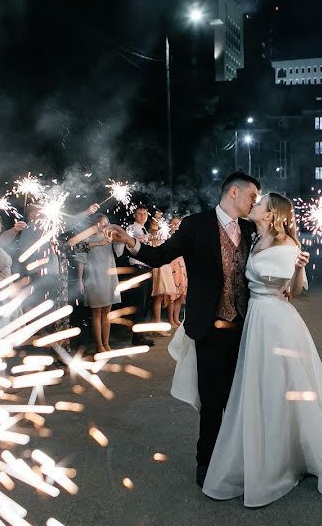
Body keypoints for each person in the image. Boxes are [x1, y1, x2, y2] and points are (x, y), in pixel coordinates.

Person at [173, 192, 322, 506]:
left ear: (271, 214)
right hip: (255, 321)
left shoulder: (288, 246)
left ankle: (286, 457)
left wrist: (301, 268)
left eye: (260, 204)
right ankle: (263, 453)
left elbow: (295, 291)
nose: (254, 205)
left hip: (277, 322)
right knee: (259, 388)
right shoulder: (254, 238)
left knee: (283, 385)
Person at [107, 171, 267, 488]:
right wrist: (131, 243)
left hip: (244, 325)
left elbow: (260, 268)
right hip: (208, 325)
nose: (255, 202)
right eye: (252, 196)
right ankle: (205, 462)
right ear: (234, 192)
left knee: (239, 397)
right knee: (211, 400)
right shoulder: (196, 225)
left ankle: (239, 459)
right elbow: (161, 255)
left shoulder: (249, 229)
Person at [76, 214, 125, 353]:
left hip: (109, 277)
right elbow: (81, 259)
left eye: (106, 223)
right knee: (97, 312)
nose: (104, 225)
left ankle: (106, 342)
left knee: (107, 312)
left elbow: (119, 253)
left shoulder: (110, 237)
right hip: (94, 277)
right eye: (101, 223)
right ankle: (99, 345)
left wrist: (121, 240)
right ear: (95, 224)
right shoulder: (87, 238)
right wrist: (80, 280)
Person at [125, 206, 155, 346]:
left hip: (147, 268)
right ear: (134, 215)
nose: (142, 216)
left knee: (145, 303)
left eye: (144, 214)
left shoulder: (144, 230)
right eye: (139, 213)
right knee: (139, 303)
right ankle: (136, 338)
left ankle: (140, 334)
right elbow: (129, 245)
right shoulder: (131, 228)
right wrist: (138, 240)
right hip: (137, 269)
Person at [149, 210, 176, 334]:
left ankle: (158, 323)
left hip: (165, 263)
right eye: (157, 217)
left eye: (160, 217)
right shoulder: (153, 231)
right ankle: (157, 325)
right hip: (158, 264)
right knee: (158, 296)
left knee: (162, 296)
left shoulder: (162, 229)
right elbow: (154, 242)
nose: (159, 219)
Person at [167, 216, 188, 327]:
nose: (175, 226)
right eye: (173, 223)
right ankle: (170, 319)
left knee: (180, 295)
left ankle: (176, 318)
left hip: (181, 267)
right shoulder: (166, 236)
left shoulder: (182, 237)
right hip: (171, 267)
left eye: (178, 224)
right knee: (172, 295)